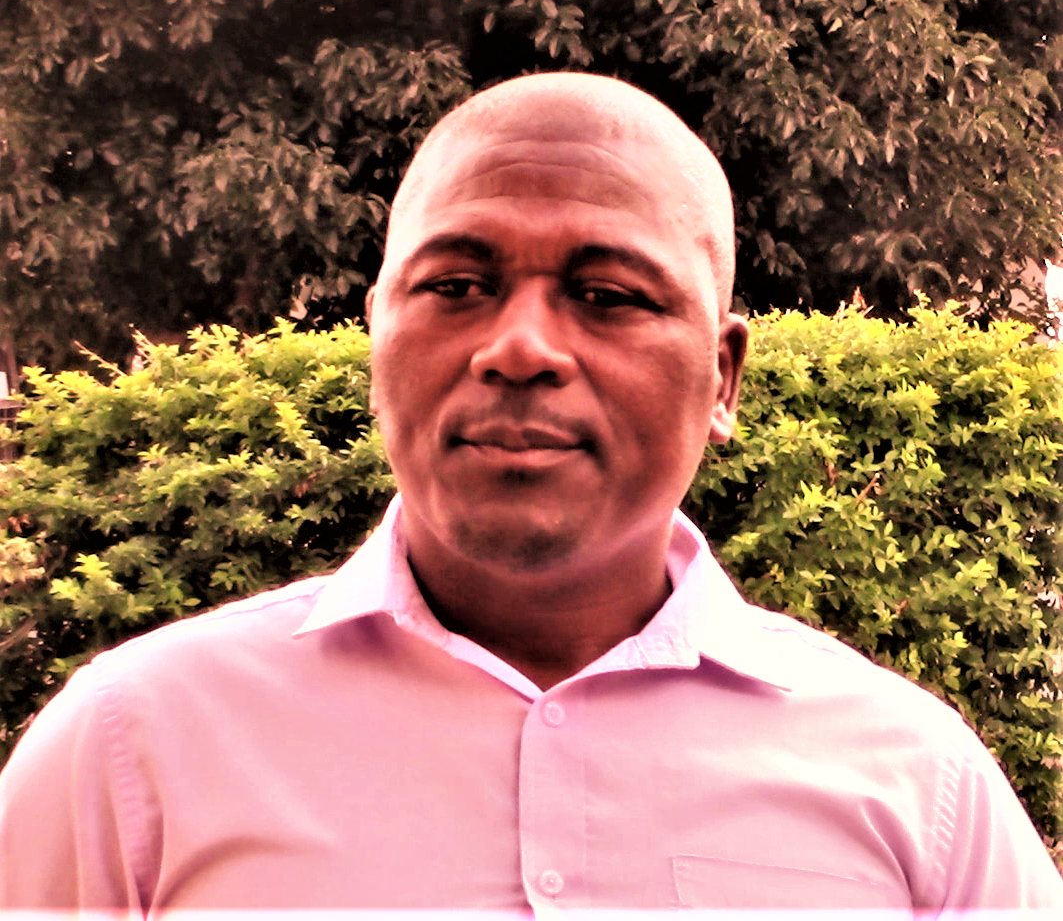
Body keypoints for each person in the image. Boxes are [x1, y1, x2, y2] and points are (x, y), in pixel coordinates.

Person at [0, 72, 1060, 916]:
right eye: (456, 287)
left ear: (723, 377)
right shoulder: (133, 747)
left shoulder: (917, 784)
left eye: (606, 294)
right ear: (377, 339)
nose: (517, 347)